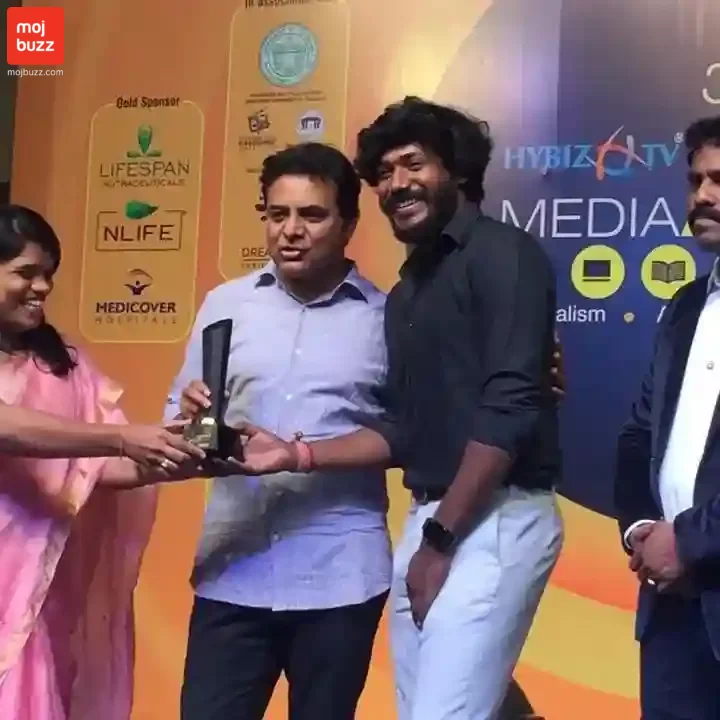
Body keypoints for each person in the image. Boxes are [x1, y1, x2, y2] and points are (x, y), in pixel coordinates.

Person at [187, 97, 564, 720]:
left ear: (458, 169)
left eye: (412, 164)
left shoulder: (502, 253)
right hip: (430, 515)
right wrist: (293, 452)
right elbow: (410, 423)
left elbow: (509, 402)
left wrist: (440, 539)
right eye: (384, 172)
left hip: (491, 514)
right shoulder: (414, 284)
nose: (397, 184)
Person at [0, 204, 206, 720]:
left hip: (36, 592)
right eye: (25, 273)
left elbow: (92, 468)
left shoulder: (60, 362)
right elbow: (8, 427)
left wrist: (185, 451)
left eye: (49, 274)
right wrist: (121, 437)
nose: (42, 287)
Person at [615, 115, 720, 719]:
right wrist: (640, 534)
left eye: (719, 181)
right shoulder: (684, 306)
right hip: (670, 610)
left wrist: (691, 542)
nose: (702, 196)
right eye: (695, 180)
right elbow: (637, 437)